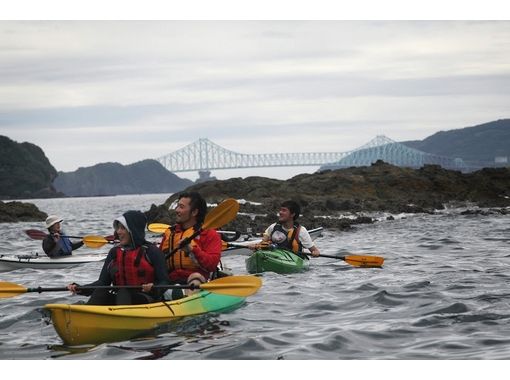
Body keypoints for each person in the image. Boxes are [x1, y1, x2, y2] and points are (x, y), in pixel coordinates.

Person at [67, 210, 169, 305]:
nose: (118, 232)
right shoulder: (114, 252)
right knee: (101, 291)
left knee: (123, 292)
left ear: (133, 230)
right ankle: (86, 315)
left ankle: (123, 321)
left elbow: (165, 282)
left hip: (146, 299)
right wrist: (81, 288)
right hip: (122, 299)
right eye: (118, 228)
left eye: (123, 228)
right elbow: (102, 283)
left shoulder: (152, 252)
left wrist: (153, 288)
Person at [159, 192, 222, 298]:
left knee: (196, 277)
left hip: (197, 280)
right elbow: (158, 262)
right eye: (177, 206)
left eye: (181, 207)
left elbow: (211, 264)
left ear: (194, 212)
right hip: (171, 281)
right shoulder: (170, 233)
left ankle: (186, 299)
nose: (177, 210)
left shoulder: (209, 234)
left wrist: (192, 249)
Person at [250, 200, 320, 257]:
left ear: (292, 214)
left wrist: (315, 253)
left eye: (284, 210)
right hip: (273, 256)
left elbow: (314, 250)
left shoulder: (301, 231)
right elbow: (262, 243)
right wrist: (255, 246)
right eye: (280, 210)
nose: (280, 212)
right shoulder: (273, 227)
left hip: (293, 258)